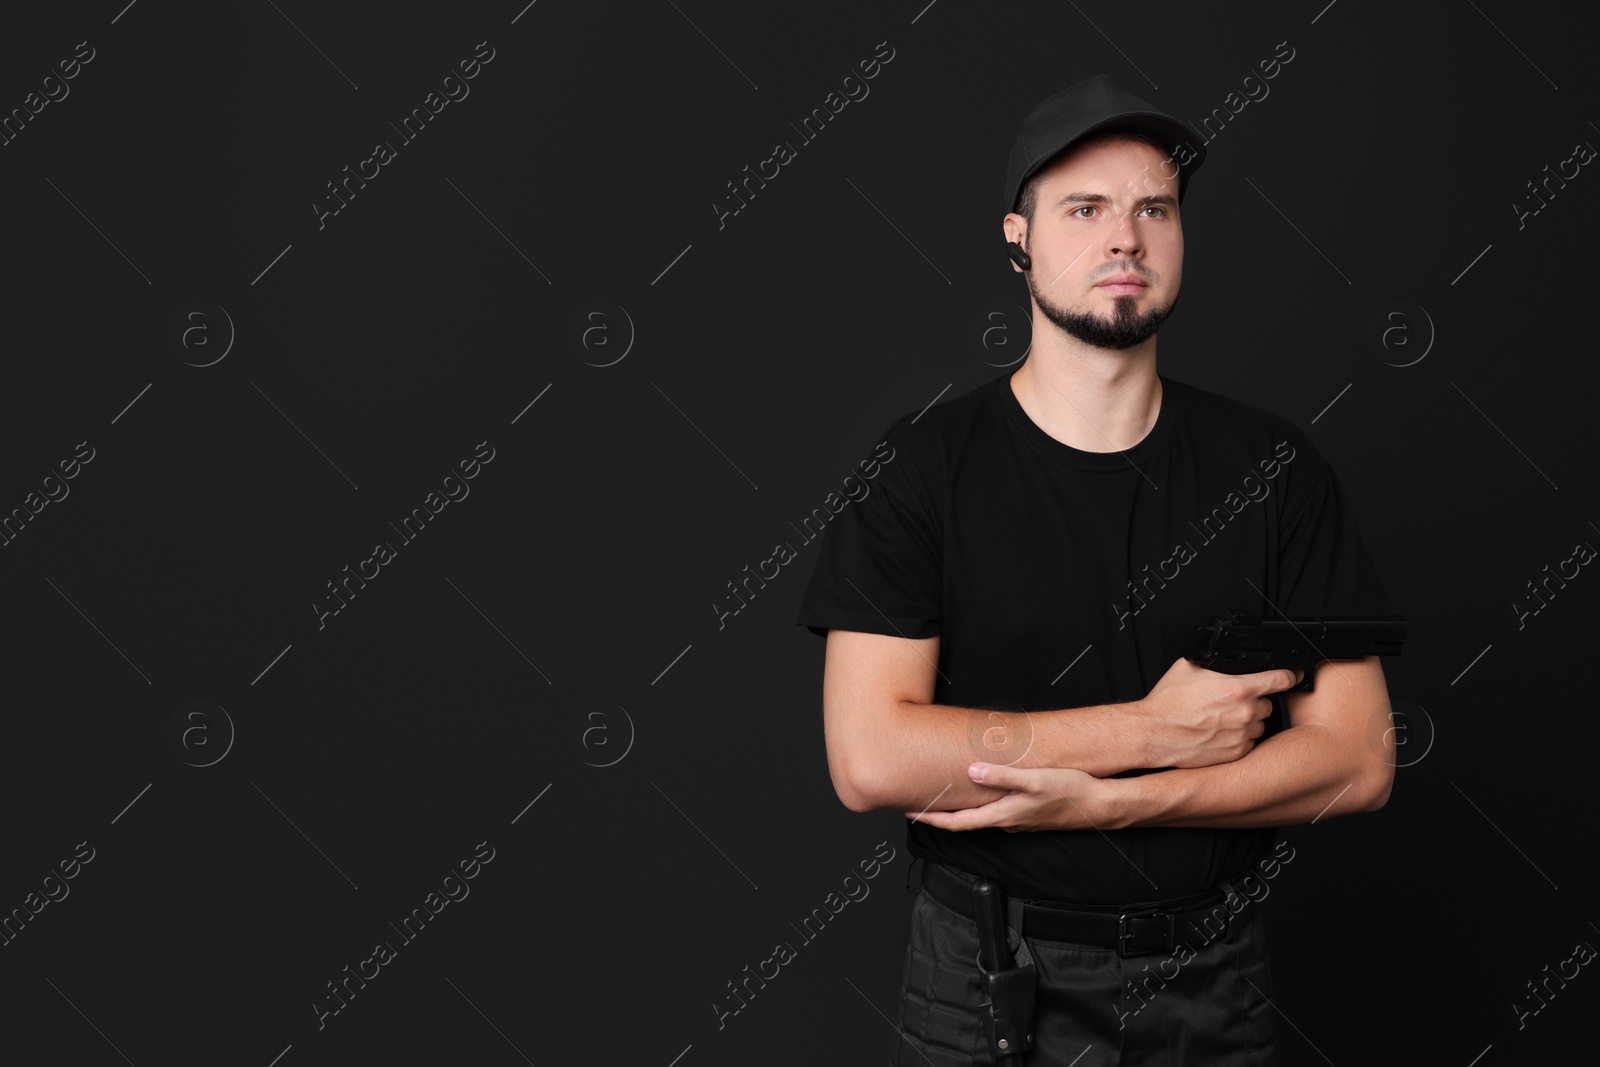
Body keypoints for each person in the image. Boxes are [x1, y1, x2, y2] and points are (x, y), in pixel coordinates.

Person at [793, 74, 1399, 1066]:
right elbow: (870, 756)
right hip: (988, 977)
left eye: (1151, 208)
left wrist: (1116, 797)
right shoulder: (921, 467)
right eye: (1083, 209)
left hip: (1215, 975)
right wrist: (1148, 731)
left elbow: (1360, 758)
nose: (1124, 238)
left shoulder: (1273, 470)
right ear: (1016, 238)